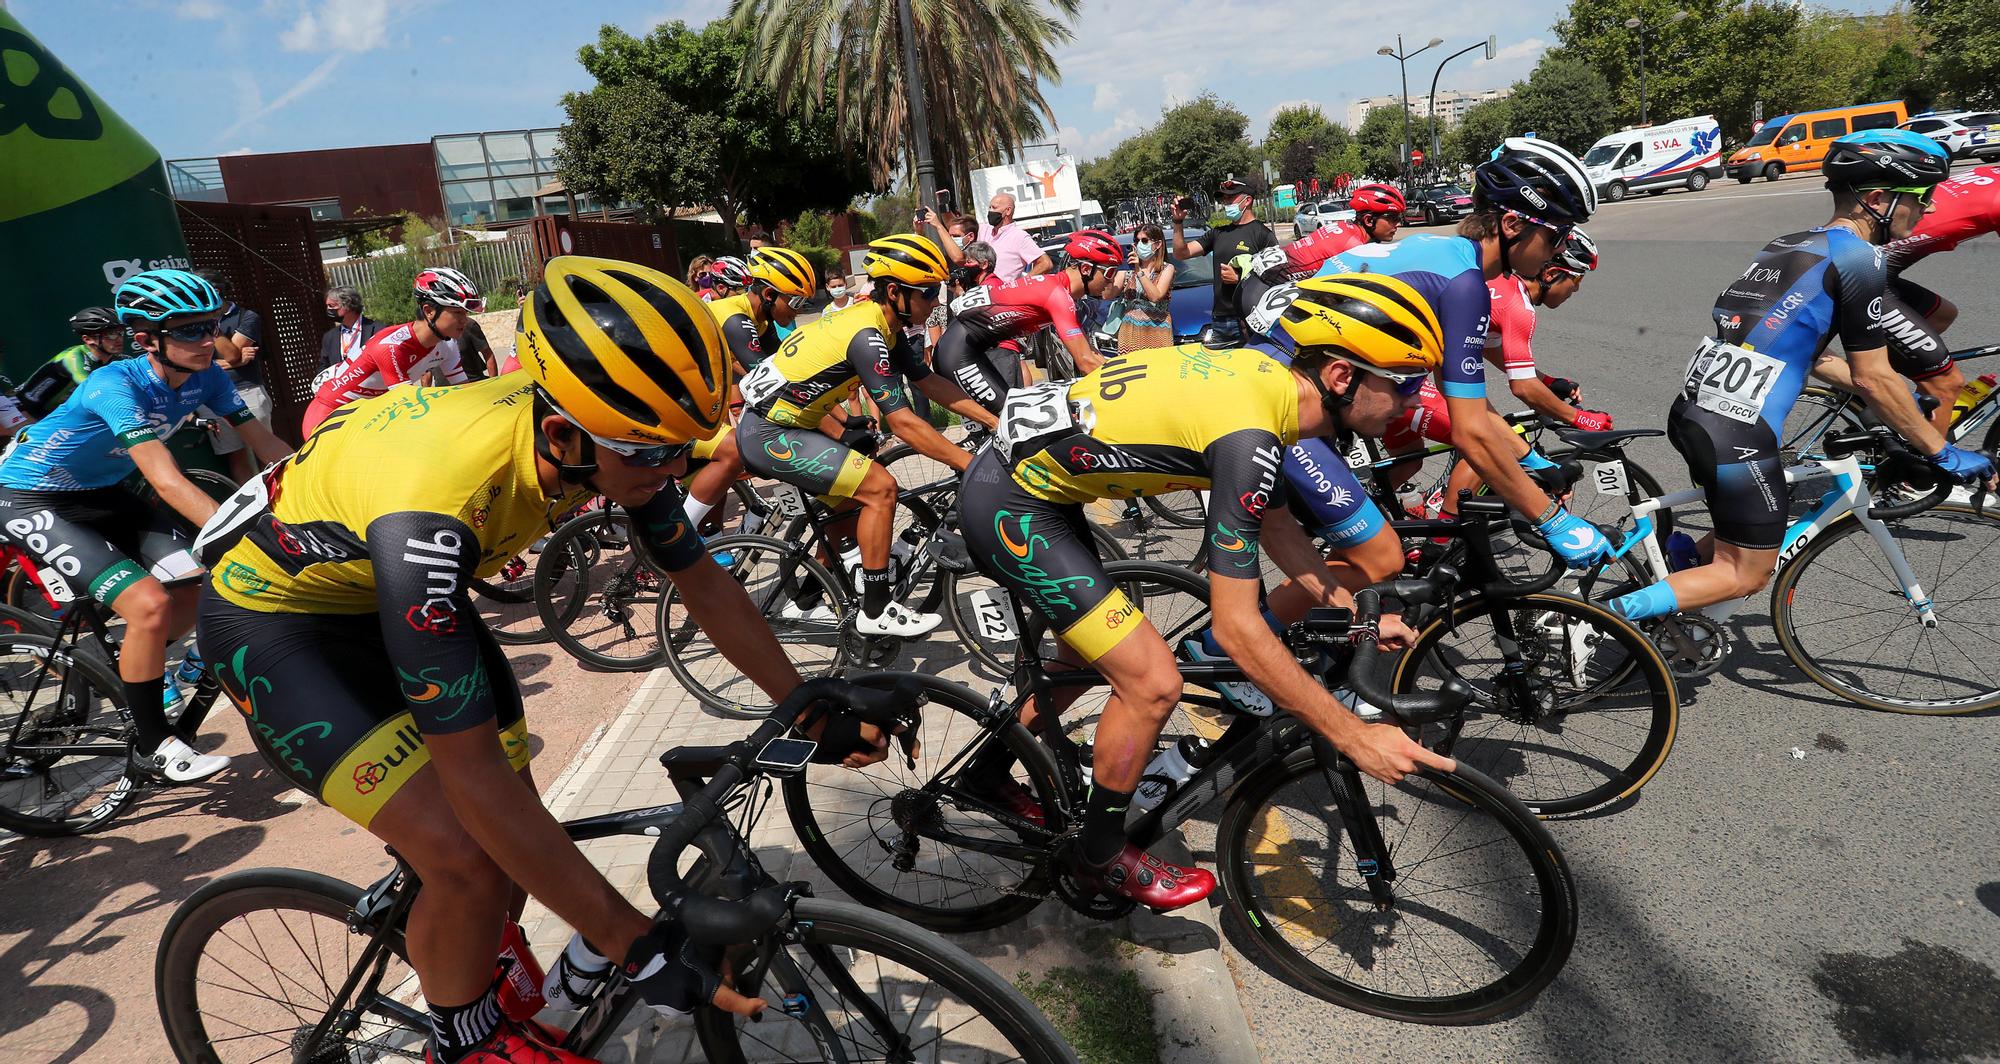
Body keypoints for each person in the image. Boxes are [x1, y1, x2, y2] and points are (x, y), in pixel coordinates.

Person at [196, 255, 908, 1064]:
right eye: (650, 454)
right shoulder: (437, 502)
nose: (674, 471)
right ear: (564, 434)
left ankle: (482, 951)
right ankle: (462, 1041)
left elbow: (703, 584)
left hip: (386, 589)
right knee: (466, 852)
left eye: (682, 447)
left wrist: (806, 700)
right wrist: (635, 944)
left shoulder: (605, 438)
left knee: (517, 831)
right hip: (279, 625)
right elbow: (474, 786)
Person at [957, 273, 1456, 910]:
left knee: (1091, 653)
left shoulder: (1261, 382)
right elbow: (1241, 630)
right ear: (1340, 377)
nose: (1414, 401)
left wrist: (1350, 613)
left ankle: (986, 776)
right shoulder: (1248, 435)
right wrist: (1353, 736)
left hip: (1042, 482)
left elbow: (1272, 520)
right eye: (1406, 383)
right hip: (1015, 504)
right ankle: (1099, 855)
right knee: (1152, 681)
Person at [1609, 129, 1994, 627]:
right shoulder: (1861, 257)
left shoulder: (1791, 243)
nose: (1926, 212)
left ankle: (1679, 574)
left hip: (1697, 413)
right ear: (1876, 199)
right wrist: (1940, 452)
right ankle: (1600, 618)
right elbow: (1874, 376)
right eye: (1920, 199)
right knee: (1746, 573)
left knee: (1749, 525)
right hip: (1738, 433)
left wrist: (1900, 406)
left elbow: (1808, 357)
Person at [0, 269, 291, 783]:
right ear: (145, 339)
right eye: (188, 331)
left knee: (206, 585)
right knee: (150, 605)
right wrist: (260, 535)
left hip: (102, 492)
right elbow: (166, 479)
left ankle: (144, 659)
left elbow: (268, 448)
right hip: (30, 496)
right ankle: (155, 745)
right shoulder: (113, 384)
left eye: (211, 325)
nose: (207, 341)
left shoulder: (209, 376)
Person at [1285, 138, 1615, 558]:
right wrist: (1555, 521)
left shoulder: (1443, 253)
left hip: (1309, 394)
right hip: (1293, 415)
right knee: (1381, 560)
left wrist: (1531, 464)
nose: (1561, 249)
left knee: (1372, 569)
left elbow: (1463, 402)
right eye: (1557, 235)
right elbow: (1469, 431)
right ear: (1512, 225)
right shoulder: (1464, 285)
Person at [733, 235, 998, 636]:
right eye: (928, 292)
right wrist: (969, 463)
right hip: (770, 432)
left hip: (796, 424)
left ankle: (805, 597)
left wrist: (998, 421)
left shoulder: (884, 325)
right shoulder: (867, 334)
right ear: (895, 292)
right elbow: (904, 422)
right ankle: (875, 610)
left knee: (847, 513)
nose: (935, 302)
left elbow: (929, 383)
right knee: (880, 488)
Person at [679, 246, 820, 532]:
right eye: (796, 300)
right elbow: (766, 378)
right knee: (735, 452)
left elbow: (786, 367)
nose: (800, 309)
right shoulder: (734, 317)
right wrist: (829, 427)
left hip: (698, 409)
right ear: (769, 296)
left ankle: (714, 541)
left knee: (717, 476)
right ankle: (673, 540)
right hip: (671, 410)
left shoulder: (761, 318)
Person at [1863, 162, 2000, 432]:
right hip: (1865, 274)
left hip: (1872, 267)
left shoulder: (1992, 171)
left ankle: (1884, 397)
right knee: (1946, 384)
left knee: (1941, 314)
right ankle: (1929, 469)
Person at [933, 230, 1123, 414]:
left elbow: (1089, 353)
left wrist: (1121, 370)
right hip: (957, 352)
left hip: (968, 347)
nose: (1112, 280)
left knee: (1016, 418)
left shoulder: (1057, 289)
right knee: (1008, 421)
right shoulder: (1057, 295)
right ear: (1086, 269)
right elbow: (1086, 362)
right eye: (1110, 272)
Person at [301, 267, 479, 436]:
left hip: (364, 414)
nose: (465, 320)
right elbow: (408, 408)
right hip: (328, 415)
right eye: (457, 313)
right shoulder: (391, 345)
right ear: (429, 311)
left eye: (465, 313)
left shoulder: (448, 344)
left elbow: (464, 392)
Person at [1171, 176, 1277, 340]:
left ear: (1247, 200)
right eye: (1224, 199)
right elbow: (1181, 253)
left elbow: (1276, 279)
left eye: (1230, 197)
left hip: (1250, 319)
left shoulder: (1263, 235)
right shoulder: (1217, 233)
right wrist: (1178, 222)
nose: (1226, 202)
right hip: (1220, 321)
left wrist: (1241, 279)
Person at [197, 271, 269, 484]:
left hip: (247, 390)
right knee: (236, 455)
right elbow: (203, 363)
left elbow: (231, 352)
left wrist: (210, 324)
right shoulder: (191, 318)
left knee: (264, 450)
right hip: (212, 396)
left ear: (216, 291)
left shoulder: (247, 316)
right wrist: (234, 363)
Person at [1273, 183, 1405, 282]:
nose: (1398, 224)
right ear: (1369, 220)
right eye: (1393, 218)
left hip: (1270, 269)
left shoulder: (1343, 226)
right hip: (1270, 280)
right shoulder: (1354, 248)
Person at [15, 306, 127, 419]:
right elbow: (92, 387)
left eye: (120, 332)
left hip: (53, 416)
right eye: (111, 334)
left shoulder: (118, 358)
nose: (119, 339)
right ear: (88, 339)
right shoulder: (73, 357)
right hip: (22, 412)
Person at [1117, 224, 1175, 353]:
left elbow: (1155, 296)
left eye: (1144, 241)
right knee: (1132, 371)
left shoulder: (1166, 269)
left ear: (1157, 244)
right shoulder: (1127, 270)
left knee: (1158, 370)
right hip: (1130, 332)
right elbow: (1107, 294)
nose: (1139, 244)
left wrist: (1139, 271)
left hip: (1157, 331)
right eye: (1136, 241)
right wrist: (1112, 265)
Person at [978, 193, 1055, 281]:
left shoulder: (1019, 236)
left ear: (1008, 211)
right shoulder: (984, 230)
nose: (990, 211)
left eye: (994, 208)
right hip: (981, 292)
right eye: (989, 207)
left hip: (1004, 292)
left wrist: (1021, 284)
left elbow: (1046, 263)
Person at [319, 286, 382, 372]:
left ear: (347, 305)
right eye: (327, 306)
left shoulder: (377, 330)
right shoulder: (329, 337)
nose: (328, 309)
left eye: (332, 306)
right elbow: (324, 367)